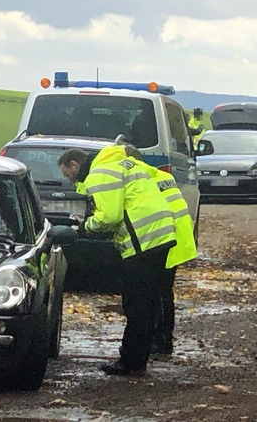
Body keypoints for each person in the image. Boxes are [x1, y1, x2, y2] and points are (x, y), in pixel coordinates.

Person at [57, 146, 176, 376]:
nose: (69, 180)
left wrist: (83, 228)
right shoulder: (118, 164)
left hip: (143, 240)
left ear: (74, 164)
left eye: (67, 173)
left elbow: (109, 217)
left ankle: (130, 362)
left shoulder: (99, 173)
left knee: (136, 304)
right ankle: (138, 357)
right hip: (159, 234)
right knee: (148, 302)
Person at [123, 145, 197, 356]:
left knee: (160, 294)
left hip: (166, 238)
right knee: (163, 292)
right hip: (177, 235)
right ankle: (161, 340)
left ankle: (162, 341)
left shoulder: (142, 180)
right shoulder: (157, 175)